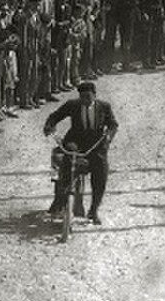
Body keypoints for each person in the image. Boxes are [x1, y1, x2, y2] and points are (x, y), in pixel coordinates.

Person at [42, 79, 119, 224]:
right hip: (76, 141)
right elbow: (55, 116)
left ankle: (94, 210)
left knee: (100, 174)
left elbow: (113, 124)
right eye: (82, 97)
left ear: (95, 95)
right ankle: (60, 200)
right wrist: (49, 126)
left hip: (96, 145)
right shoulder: (73, 105)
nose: (85, 100)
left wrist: (108, 136)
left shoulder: (104, 107)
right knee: (67, 161)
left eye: (88, 97)